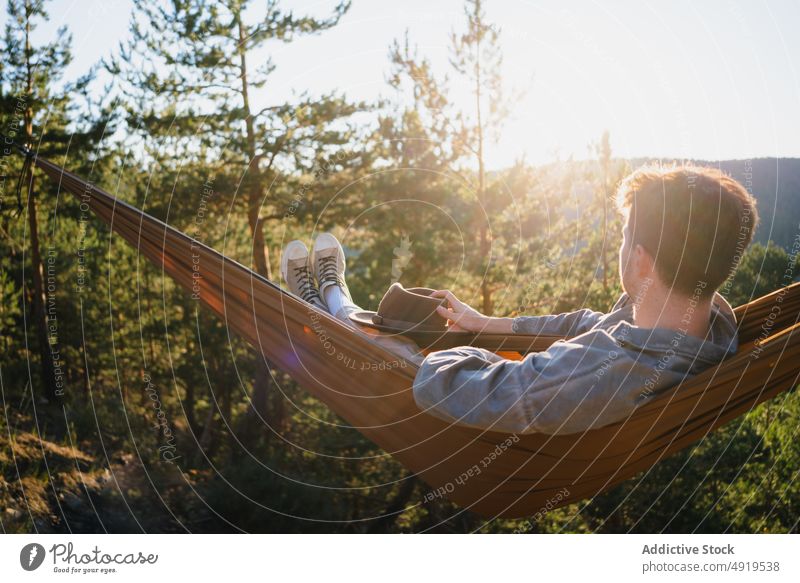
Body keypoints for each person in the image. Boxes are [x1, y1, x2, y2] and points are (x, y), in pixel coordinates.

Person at [282, 165, 758, 435]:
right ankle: (329, 295)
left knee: (396, 330)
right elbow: (593, 321)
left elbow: (463, 388)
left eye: (623, 238)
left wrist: (460, 348)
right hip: (549, 387)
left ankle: (328, 298)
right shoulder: (708, 330)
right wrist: (488, 321)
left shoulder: (598, 371)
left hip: (435, 389)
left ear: (638, 263)